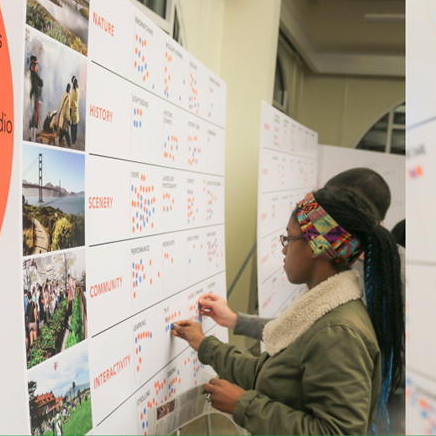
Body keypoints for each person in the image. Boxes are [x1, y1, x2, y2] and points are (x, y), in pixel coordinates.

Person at [173, 187, 404, 434]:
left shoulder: (338, 333)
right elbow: (271, 376)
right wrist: (205, 345)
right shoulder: (322, 310)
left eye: (289, 239)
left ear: (317, 246)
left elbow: (337, 432)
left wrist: (243, 405)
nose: (283, 249)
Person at [200, 167, 406, 341]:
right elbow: (303, 327)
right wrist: (236, 321)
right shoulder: (340, 261)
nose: (284, 249)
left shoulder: (358, 283)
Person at [28, 55, 44, 143]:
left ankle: (32, 138)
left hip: (31, 98)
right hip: (35, 98)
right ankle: (33, 139)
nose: (35, 66)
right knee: (35, 118)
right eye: (35, 65)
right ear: (33, 65)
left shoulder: (30, 73)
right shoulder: (34, 74)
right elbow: (41, 83)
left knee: (32, 117)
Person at [70, 76, 80, 147]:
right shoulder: (78, 90)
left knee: (72, 128)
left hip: (72, 112)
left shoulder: (72, 92)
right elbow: (78, 85)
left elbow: (70, 104)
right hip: (77, 113)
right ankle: (75, 141)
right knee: (76, 128)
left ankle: (73, 142)